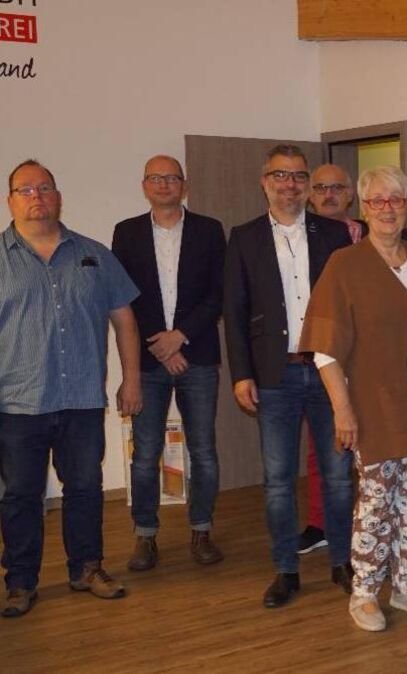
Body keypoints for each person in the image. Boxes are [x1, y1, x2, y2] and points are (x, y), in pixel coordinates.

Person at [299, 164, 407, 631]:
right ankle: (363, 593)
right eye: (378, 200)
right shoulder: (345, 264)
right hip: (369, 403)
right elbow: (325, 349)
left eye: (396, 199)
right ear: (364, 206)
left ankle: (406, 586)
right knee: (376, 503)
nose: (387, 208)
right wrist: (343, 410)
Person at [0, 160, 141, 617]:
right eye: (25, 189)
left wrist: (132, 378)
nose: (36, 196)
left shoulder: (94, 254)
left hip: (82, 399)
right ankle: (20, 582)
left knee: (84, 488)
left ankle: (87, 568)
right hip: (17, 404)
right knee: (21, 496)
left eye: (44, 187)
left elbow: (124, 320)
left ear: (58, 196)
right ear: (11, 201)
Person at [223, 145, 353, 608]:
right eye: (280, 176)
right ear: (265, 182)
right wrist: (242, 374)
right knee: (278, 480)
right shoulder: (244, 237)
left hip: (327, 372)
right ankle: (285, 569)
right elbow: (235, 311)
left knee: (339, 477)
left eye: (298, 176)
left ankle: (342, 561)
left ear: (307, 185)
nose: (290, 184)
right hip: (274, 376)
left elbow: (349, 306)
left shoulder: (334, 234)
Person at [112, 154, 227, 571]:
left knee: (204, 451)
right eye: (155, 178)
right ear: (145, 186)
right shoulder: (126, 233)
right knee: (145, 454)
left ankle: (202, 530)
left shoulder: (209, 230)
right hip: (146, 360)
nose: (163, 184)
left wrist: (180, 337)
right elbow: (122, 299)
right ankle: (145, 535)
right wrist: (161, 345)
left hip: (198, 356)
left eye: (171, 178)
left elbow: (219, 293)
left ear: (184, 185)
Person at [297, 162, 366, 555]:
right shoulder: (299, 238)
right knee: (323, 446)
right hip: (325, 355)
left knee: (370, 445)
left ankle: (364, 521)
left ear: (351, 194)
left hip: (368, 357)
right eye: (320, 188)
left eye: (337, 187)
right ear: (310, 195)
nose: (329, 195)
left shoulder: (372, 234)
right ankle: (321, 522)